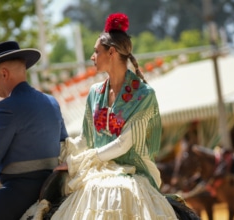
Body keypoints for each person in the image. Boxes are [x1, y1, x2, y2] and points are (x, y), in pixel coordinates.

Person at [25, 13, 179, 219]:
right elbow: (87, 139)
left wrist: (77, 163)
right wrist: (58, 152)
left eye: (96, 51)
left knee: (114, 189)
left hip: (133, 171)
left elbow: (123, 145)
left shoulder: (143, 95)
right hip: (99, 169)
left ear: (112, 52)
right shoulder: (95, 92)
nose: (92, 57)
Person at [0, 41, 68, 220]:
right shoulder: (51, 102)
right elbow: (65, 143)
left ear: (4, 74)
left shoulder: (6, 108)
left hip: (20, 191)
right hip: (53, 187)